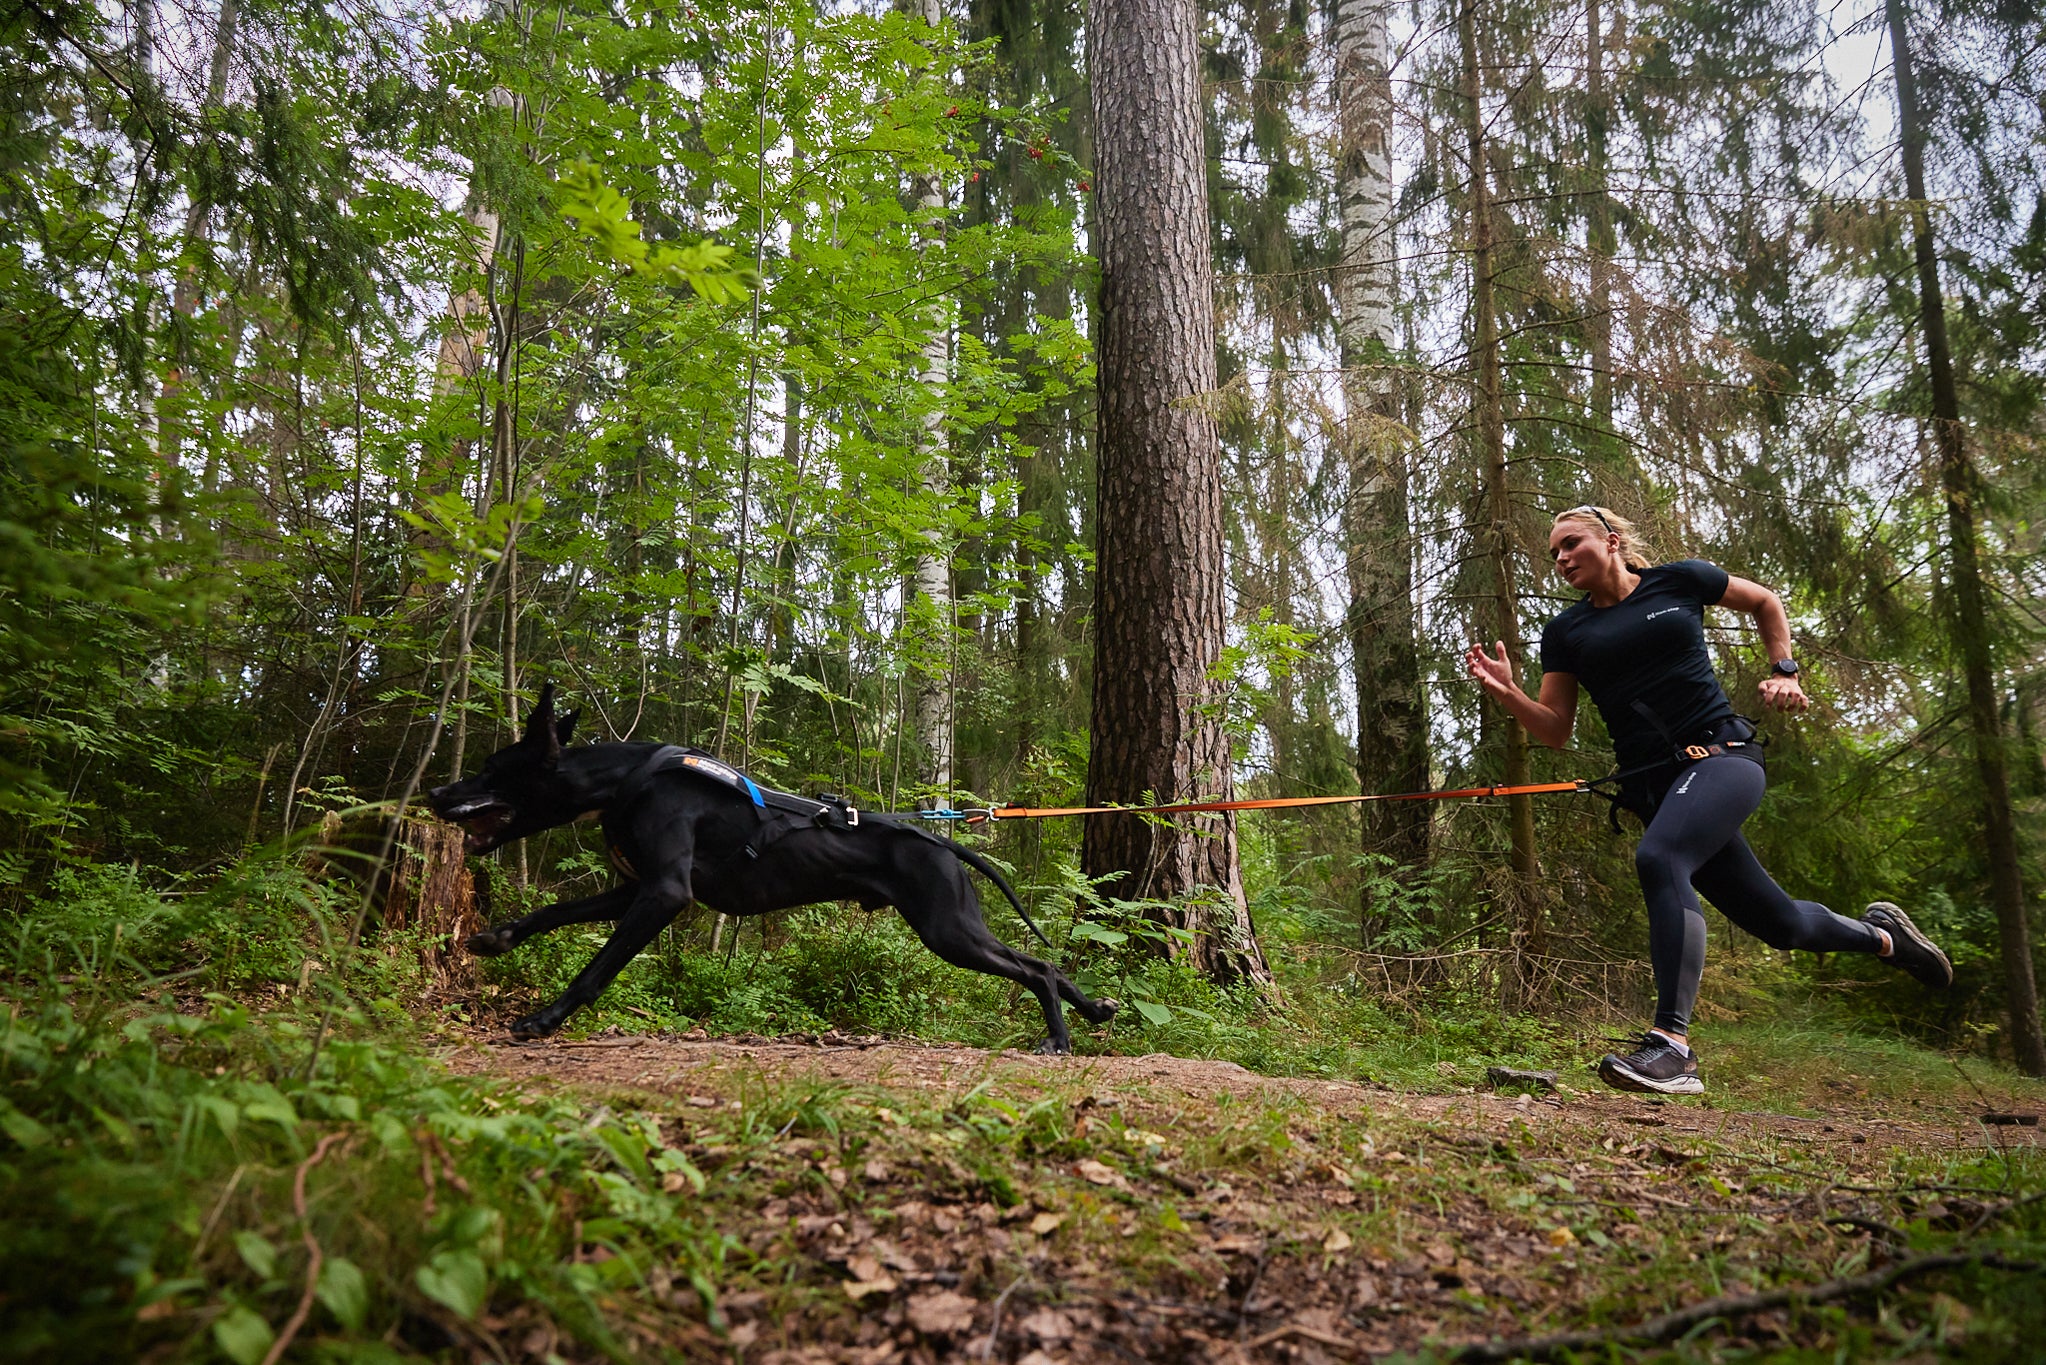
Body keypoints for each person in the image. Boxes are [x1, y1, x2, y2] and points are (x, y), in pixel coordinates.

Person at [1464, 505, 1951, 1095]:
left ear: (1611, 541)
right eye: (1554, 553)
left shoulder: (1680, 580)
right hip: (1656, 788)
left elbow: (1764, 601)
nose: (1561, 558)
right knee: (1782, 924)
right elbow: (1555, 730)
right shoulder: (1566, 631)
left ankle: (1672, 1047)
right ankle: (1886, 938)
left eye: (1571, 544)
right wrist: (1509, 693)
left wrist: (1786, 671)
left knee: (1659, 857)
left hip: (1723, 757)